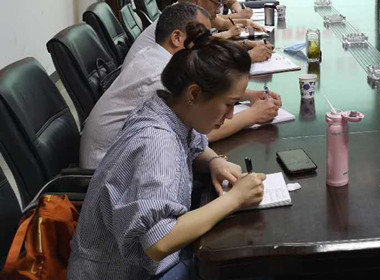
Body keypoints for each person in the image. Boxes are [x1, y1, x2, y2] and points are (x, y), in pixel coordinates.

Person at [68, 23, 268, 280]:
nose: (230, 115)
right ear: (194, 93)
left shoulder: (166, 107)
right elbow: (158, 242)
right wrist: (235, 199)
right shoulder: (157, 143)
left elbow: (195, 143)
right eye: (229, 104)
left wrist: (214, 161)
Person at [81, 3, 282, 167]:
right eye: (201, 39)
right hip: (110, 170)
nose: (208, 46)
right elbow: (202, 130)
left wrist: (245, 95)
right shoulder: (159, 78)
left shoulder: (155, 55)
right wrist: (252, 115)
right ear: (177, 38)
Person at [124, 0, 272, 68]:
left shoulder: (181, 13)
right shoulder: (180, 22)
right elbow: (203, 65)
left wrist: (245, 44)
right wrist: (249, 57)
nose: (219, 10)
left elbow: (207, 44)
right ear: (197, 0)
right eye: (216, 3)